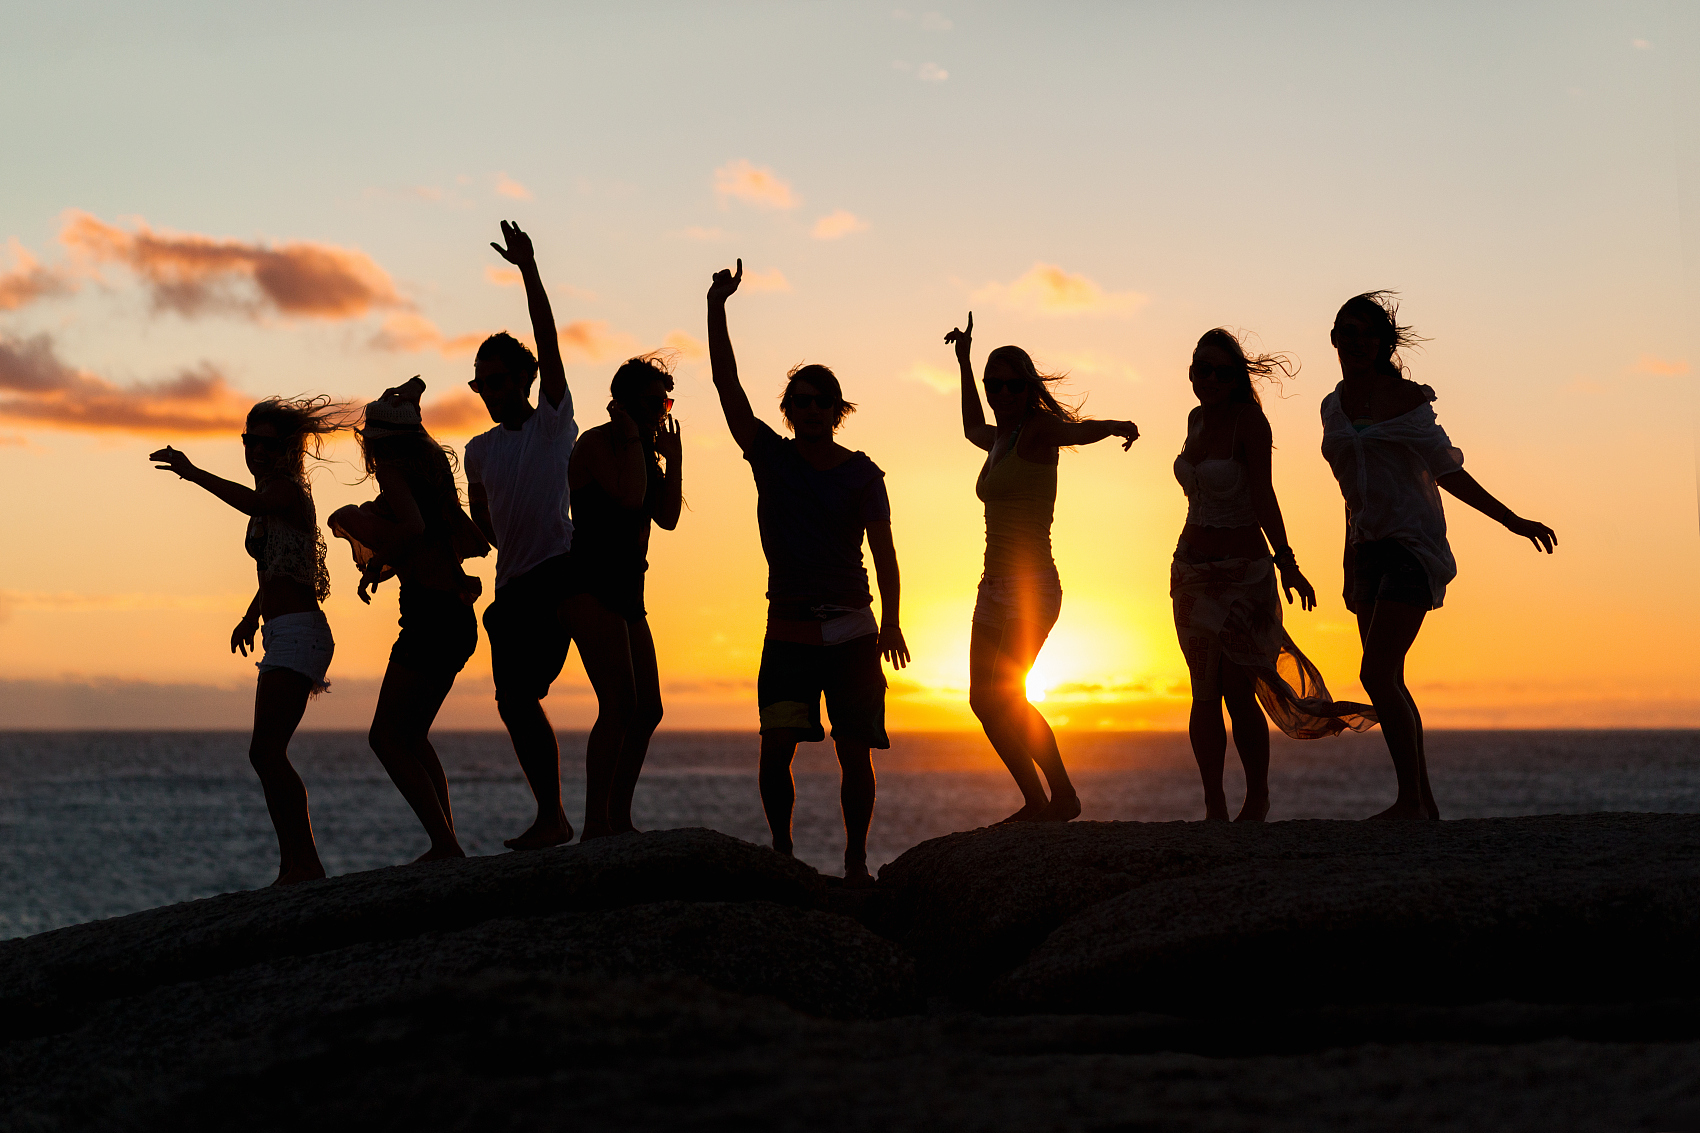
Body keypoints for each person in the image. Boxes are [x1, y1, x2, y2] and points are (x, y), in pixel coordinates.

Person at [708, 260, 909, 886]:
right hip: (789, 628)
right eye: (802, 400)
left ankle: (855, 861)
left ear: (837, 408)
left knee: (856, 753)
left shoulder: (862, 473)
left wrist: (895, 622)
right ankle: (783, 851)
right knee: (776, 748)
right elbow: (726, 386)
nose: (812, 408)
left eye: (823, 400)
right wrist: (717, 305)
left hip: (852, 631)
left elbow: (885, 552)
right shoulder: (770, 456)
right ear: (789, 408)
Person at [1322, 292, 1556, 820]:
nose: (1353, 343)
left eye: (1363, 333)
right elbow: (1349, 489)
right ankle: (1421, 803)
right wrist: (1346, 557)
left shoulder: (1406, 401)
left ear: (1384, 344)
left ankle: (1411, 802)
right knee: (1389, 677)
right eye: (1343, 333)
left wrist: (1512, 521)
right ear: (1333, 341)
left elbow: (1448, 471)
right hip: (1366, 549)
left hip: (1411, 545)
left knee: (1377, 673)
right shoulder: (1331, 406)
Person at [1171, 328, 1376, 823]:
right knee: (1203, 693)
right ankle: (1213, 806)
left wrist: (1288, 562)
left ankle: (1256, 798)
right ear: (1192, 374)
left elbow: (1263, 493)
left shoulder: (1250, 423)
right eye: (1204, 370)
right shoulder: (1196, 421)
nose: (1212, 379)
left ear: (1238, 377)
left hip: (1244, 576)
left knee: (1241, 692)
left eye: (1224, 371)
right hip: (1192, 576)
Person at [944, 313, 1139, 823]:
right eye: (993, 385)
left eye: (1010, 384)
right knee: (983, 703)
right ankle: (1036, 800)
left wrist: (1116, 425)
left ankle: (1062, 795)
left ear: (1027, 387)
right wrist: (964, 363)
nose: (1000, 393)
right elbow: (969, 426)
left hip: (1033, 588)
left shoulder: (1036, 431)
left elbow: (1078, 431)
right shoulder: (999, 440)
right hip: (992, 588)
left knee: (1007, 698)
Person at [148, 396, 346, 885]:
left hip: (301, 632)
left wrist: (193, 473)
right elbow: (276, 570)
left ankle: (306, 864)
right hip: (284, 631)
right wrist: (249, 617)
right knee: (266, 753)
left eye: (263, 442)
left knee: (266, 752)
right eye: (247, 440)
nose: (253, 449)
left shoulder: (286, 493)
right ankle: (295, 864)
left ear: (284, 448)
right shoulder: (272, 496)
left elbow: (255, 504)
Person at [330, 377, 490, 862]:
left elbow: (413, 530)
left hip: (430, 619)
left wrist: (376, 550)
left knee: (386, 737)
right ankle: (447, 843)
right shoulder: (433, 474)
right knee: (412, 735)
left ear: (378, 442)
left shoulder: (396, 472)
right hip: (454, 617)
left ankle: (444, 844)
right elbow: (444, 541)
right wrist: (385, 565)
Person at [464, 220, 580, 850]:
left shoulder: (552, 424)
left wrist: (528, 271)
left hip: (561, 574)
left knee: (613, 698)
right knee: (515, 702)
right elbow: (483, 527)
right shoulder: (477, 451)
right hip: (511, 590)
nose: (489, 391)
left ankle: (589, 818)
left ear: (524, 379)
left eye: (500, 379)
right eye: (481, 382)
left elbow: (548, 338)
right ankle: (552, 815)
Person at [564, 353, 683, 839]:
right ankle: (597, 825)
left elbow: (667, 516)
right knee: (618, 704)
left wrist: (674, 461)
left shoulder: (645, 453)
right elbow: (630, 498)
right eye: (655, 402)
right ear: (626, 403)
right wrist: (635, 437)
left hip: (628, 589)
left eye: (666, 402)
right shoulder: (596, 443)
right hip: (589, 585)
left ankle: (619, 817)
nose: (662, 412)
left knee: (647, 708)